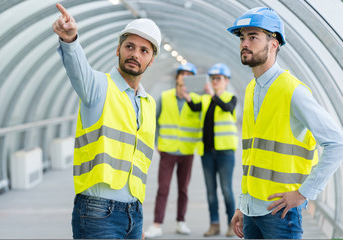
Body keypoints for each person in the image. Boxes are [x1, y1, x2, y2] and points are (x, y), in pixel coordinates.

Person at [227, 7, 343, 239]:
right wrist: (242, 204)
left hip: (280, 213)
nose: (244, 43)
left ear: (274, 44)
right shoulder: (251, 89)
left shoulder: (293, 91)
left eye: (253, 37)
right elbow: (252, 157)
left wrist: (304, 194)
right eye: (242, 38)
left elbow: (337, 143)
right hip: (252, 212)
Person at [52, 3, 161, 239]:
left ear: (151, 60)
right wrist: (70, 41)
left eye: (144, 50)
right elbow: (77, 68)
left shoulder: (148, 103)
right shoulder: (98, 86)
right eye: (129, 46)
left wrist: (137, 218)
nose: (135, 54)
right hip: (97, 211)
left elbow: (138, 164)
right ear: (118, 50)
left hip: (134, 212)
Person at [145, 62, 201, 238]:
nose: (185, 77)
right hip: (167, 151)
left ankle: (180, 221)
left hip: (187, 151)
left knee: (183, 189)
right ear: (176, 77)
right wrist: (156, 143)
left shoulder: (197, 101)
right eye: (182, 74)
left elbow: (203, 123)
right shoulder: (165, 96)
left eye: (189, 75)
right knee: (163, 189)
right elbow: (153, 121)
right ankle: (157, 224)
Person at [183, 63, 238, 237]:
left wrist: (213, 95)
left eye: (218, 79)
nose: (215, 81)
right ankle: (214, 224)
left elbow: (227, 108)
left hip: (225, 152)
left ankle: (231, 224)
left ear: (226, 81)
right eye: (213, 78)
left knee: (226, 190)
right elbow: (195, 107)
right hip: (206, 152)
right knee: (210, 191)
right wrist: (188, 97)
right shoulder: (206, 98)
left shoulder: (231, 97)